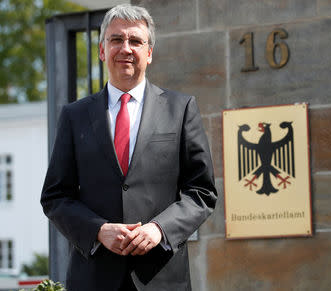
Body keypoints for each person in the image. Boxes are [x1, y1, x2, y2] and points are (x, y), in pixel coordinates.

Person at [40, 4, 217, 291]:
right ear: (101, 51)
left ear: (149, 53)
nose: (126, 48)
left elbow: (202, 192)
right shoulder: (74, 116)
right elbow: (55, 196)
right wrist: (98, 230)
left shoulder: (181, 109)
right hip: (94, 277)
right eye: (116, 40)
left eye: (135, 41)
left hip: (161, 277)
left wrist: (160, 229)